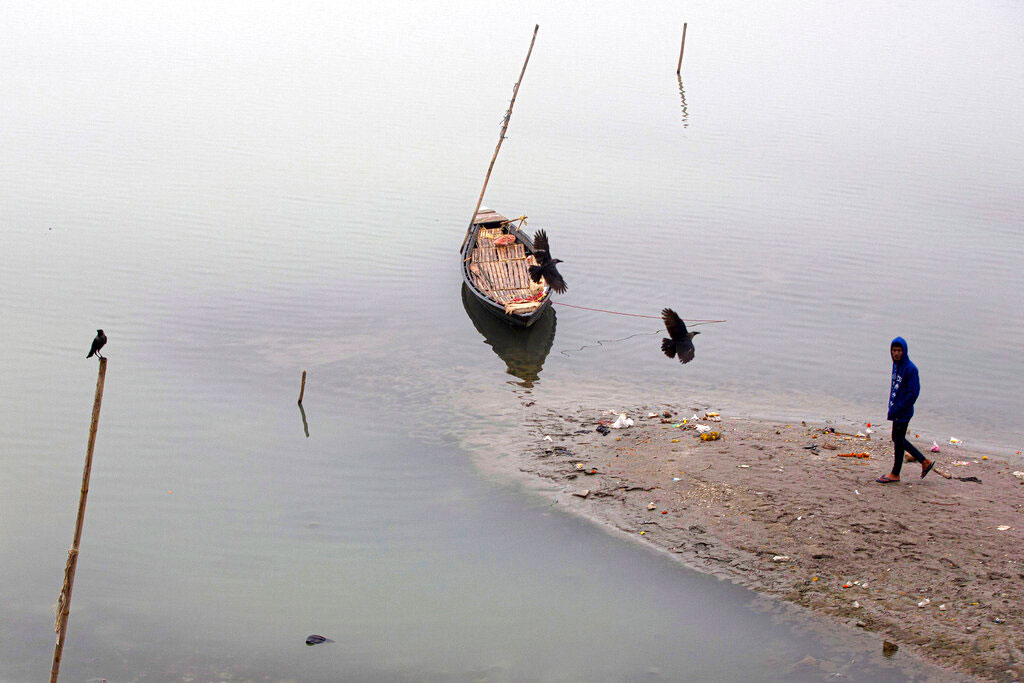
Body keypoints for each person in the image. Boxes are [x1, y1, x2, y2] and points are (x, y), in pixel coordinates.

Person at [876, 337, 934, 483]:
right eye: (894, 350)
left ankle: (896, 473)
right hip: (896, 409)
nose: (896, 353)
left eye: (899, 351)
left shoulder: (910, 369)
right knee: (897, 438)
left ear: (904, 351)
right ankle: (923, 461)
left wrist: (900, 407)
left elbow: (913, 392)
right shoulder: (897, 366)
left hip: (903, 411)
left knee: (898, 439)